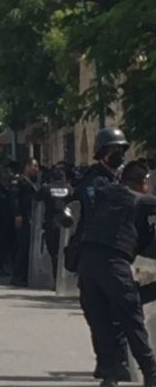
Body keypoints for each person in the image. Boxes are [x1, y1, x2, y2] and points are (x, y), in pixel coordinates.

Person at [79, 161, 156, 387]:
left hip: (87, 264)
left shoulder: (104, 195)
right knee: (131, 318)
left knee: (102, 321)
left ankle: (110, 375)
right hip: (113, 263)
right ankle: (151, 373)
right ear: (141, 183)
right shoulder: (136, 199)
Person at [72, 127, 133, 383]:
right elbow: (92, 207)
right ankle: (106, 362)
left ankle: (117, 362)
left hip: (118, 251)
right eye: (113, 150)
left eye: (120, 150)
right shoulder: (92, 181)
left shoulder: (119, 180)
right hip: (92, 252)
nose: (118, 154)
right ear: (102, 153)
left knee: (119, 310)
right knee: (97, 311)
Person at [36, 163, 73, 281]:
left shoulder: (47, 188)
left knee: (54, 253)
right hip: (67, 224)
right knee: (66, 251)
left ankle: (57, 279)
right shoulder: (69, 189)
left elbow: (36, 197)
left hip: (51, 224)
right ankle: (66, 279)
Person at [9, 158, 39, 287]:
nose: (37, 169)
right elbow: (14, 199)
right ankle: (17, 276)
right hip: (23, 218)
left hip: (31, 217)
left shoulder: (31, 182)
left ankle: (25, 275)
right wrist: (17, 215)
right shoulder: (19, 181)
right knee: (23, 247)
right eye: (35, 166)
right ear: (27, 166)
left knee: (27, 247)